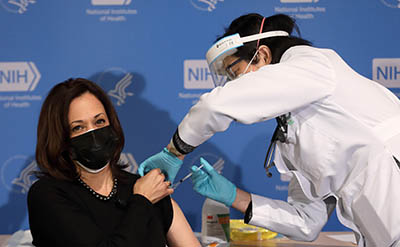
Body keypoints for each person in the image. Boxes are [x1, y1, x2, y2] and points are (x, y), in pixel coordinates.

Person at [139, 13, 400, 247]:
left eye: (235, 72)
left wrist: (175, 152)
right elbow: (306, 222)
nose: (235, 84)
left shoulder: (313, 64)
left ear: (262, 55)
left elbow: (215, 105)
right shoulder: (295, 128)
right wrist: (233, 196)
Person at [27, 78, 200, 247]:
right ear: (60, 138)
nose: (93, 134)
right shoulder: (47, 195)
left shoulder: (145, 187)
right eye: (78, 127)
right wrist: (142, 201)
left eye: (99, 121)